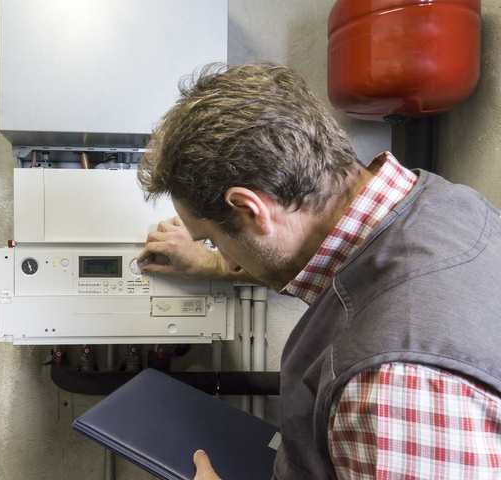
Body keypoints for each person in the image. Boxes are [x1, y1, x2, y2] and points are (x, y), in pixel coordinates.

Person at [136, 63, 501, 479]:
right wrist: (216, 263)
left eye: (213, 239)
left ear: (250, 210)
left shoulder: (392, 386)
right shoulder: (442, 204)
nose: (229, 259)